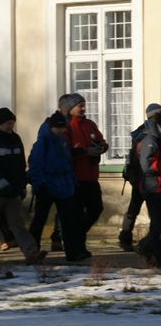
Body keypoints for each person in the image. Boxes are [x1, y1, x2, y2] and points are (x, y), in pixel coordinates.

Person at [0, 108, 46, 278]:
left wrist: (22, 184)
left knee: (18, 224)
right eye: (8, 123)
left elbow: (20, 164)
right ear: (0, 123)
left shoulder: (15, 138)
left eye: (12, 123)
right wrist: (0, 180)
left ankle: (31, 253)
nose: (10, 126)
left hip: (12, 191)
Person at [28, 111, 87, 261]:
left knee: (68, 221)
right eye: (58, 128)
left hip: (64, 186)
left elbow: (67, 163)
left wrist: (72, 182)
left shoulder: (62, 141)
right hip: (47, 185)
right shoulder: (42, 143)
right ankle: (32, 251)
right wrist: (40, 184)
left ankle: (72, 253)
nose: (61, 131)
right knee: (39, 220)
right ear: (51, 127)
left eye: (62, 128)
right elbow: (35, 166)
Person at [62, 93, 109, 246]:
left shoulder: (90, 124)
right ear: (70, 108)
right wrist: (85, 151)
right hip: (75, 178)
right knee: (76, 213)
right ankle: (77, 244)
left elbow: (101, 141)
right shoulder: (67, 126)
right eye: (80, 106)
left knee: (96, 209)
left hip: (92, 176)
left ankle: (77, 236)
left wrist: (102, 147)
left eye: (84, 105)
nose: (83, 108)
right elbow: (65, 152)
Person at [119, 105, 155, 252]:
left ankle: (125, 237)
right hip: (147, 178)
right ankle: (148, 242)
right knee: (153, 211)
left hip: (138, 177)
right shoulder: (150, 132)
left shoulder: (141, 131)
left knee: (134, 208)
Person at [135, 103, 161, 267]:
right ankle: (149, 251)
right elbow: (147, 165)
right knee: (158, 224)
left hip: (157, 186)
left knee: (158, 224)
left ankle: (148, 249)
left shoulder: (157, 134)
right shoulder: (150, 138)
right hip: (153, 187)